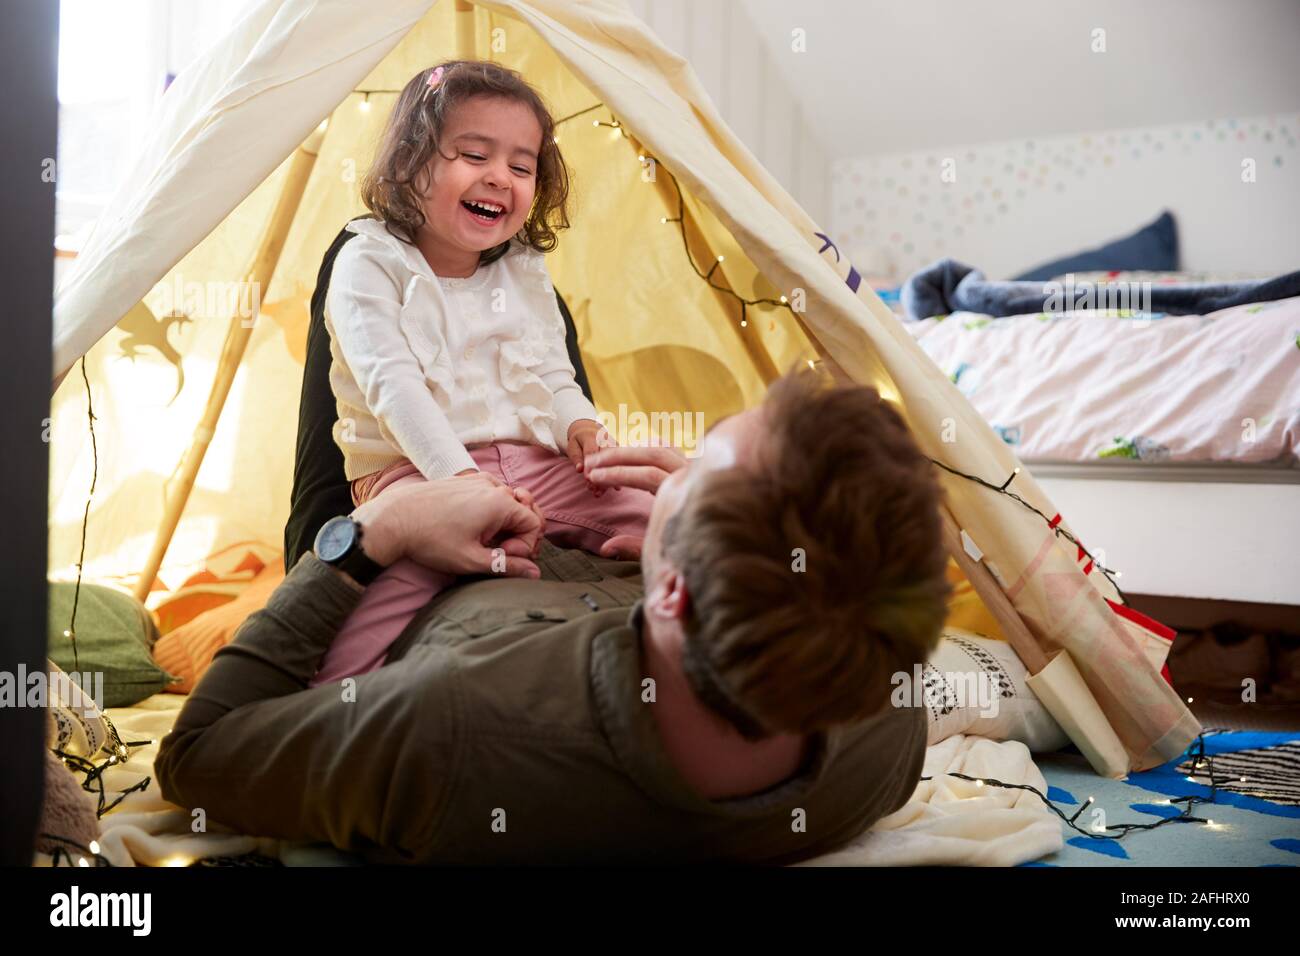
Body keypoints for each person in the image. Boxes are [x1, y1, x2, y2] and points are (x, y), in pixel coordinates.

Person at [155, 370, 954, 865]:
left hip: (434, 569)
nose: (670, 470)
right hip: (604, 564)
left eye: (694, 467)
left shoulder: (456, 726)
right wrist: (721, 513)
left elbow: (198, 756)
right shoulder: (885, 725)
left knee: (357, 275)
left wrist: (380, 529)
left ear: (670, 595)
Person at [312, 59, 650, 686]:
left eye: (522, 167)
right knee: (405, 576)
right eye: (474, 155)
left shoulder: (521, 269)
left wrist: (579, 423)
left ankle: (719, 625)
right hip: (412, 473)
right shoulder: (369, 262)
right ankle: (335, 696)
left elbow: (552, 368)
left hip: (534, 466)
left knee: (660, 513)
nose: (500, 177)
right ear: (412, 163)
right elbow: (393, 389)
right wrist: (462, 488)